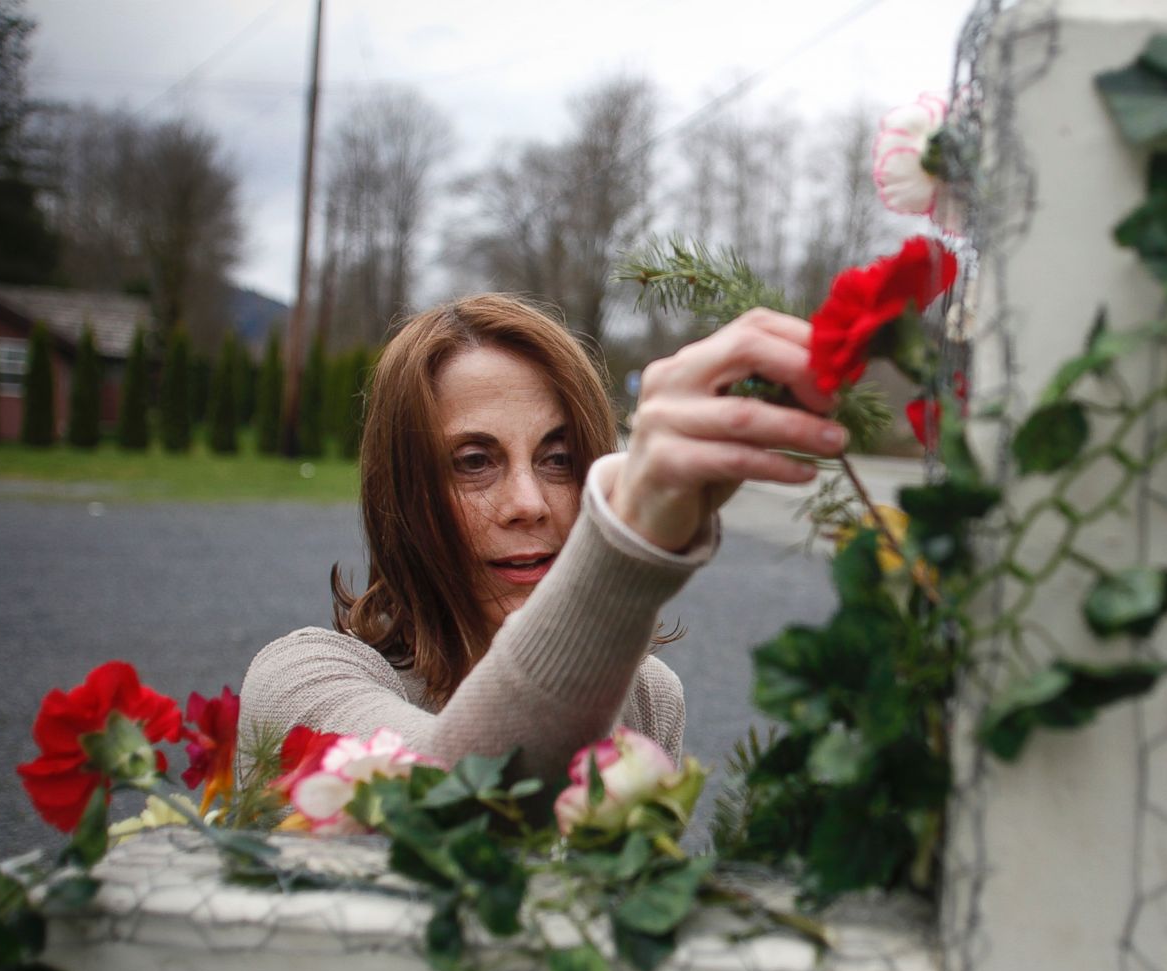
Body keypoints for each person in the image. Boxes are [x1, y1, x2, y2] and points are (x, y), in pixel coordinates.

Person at [239, 294, 846, 783]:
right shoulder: (298, 683)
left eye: (558, 459)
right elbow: (453, 794)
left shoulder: (648, 701)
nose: (528, 504)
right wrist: (632, 537)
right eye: (474, 461)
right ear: (401, 492)